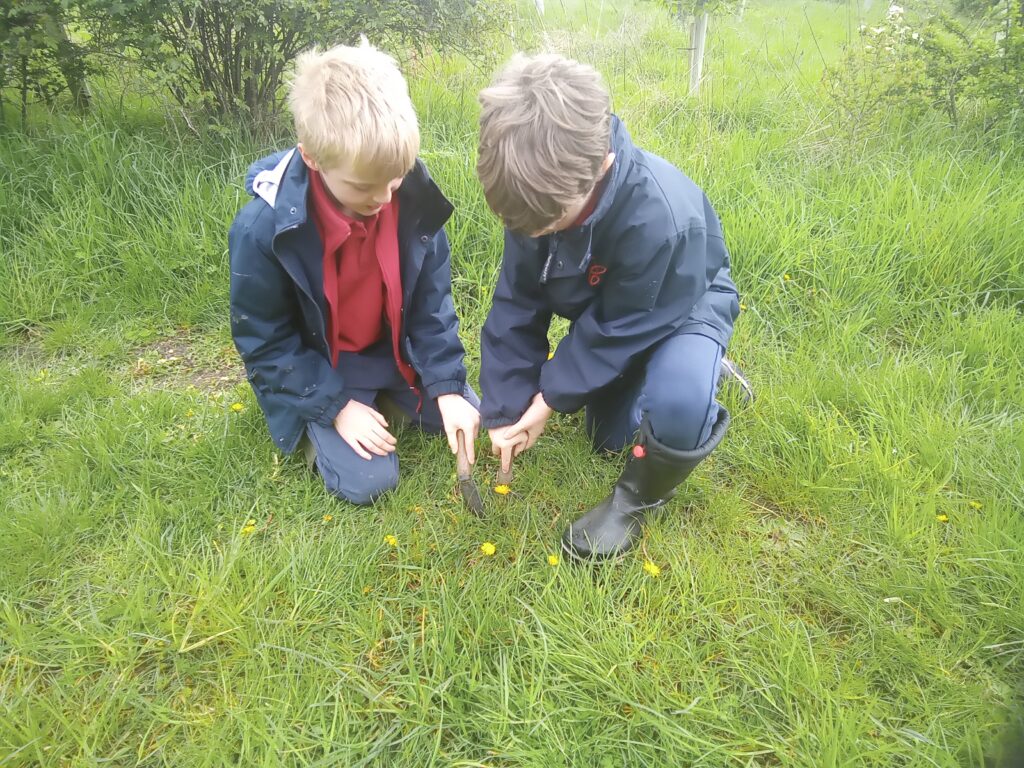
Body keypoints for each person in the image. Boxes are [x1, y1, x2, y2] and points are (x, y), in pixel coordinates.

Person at [476, 53, 741, 560]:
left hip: (682, 299)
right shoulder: (539, 196)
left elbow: (621, 326)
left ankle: (637, 497)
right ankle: (661, 375)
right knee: (608, 436)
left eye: (548, 224)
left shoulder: (660, 216)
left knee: (678, 401)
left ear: (601, 166)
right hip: (614, 311)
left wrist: (550, 398)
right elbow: (517, 301)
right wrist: (508, 405)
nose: (533, 234)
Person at [229, 42, 479, 505]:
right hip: (321, 366)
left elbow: (431, 308)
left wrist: (447, 387)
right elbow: (265, 342)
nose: (384, 197)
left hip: (390, 353)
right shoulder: (263, 230)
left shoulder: (414, 205)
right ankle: (330, 418)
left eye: (396, 176)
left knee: (470, 418)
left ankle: (390, 399)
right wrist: (337, 406)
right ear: (313, 159)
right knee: (368, 484)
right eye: (364, 186)